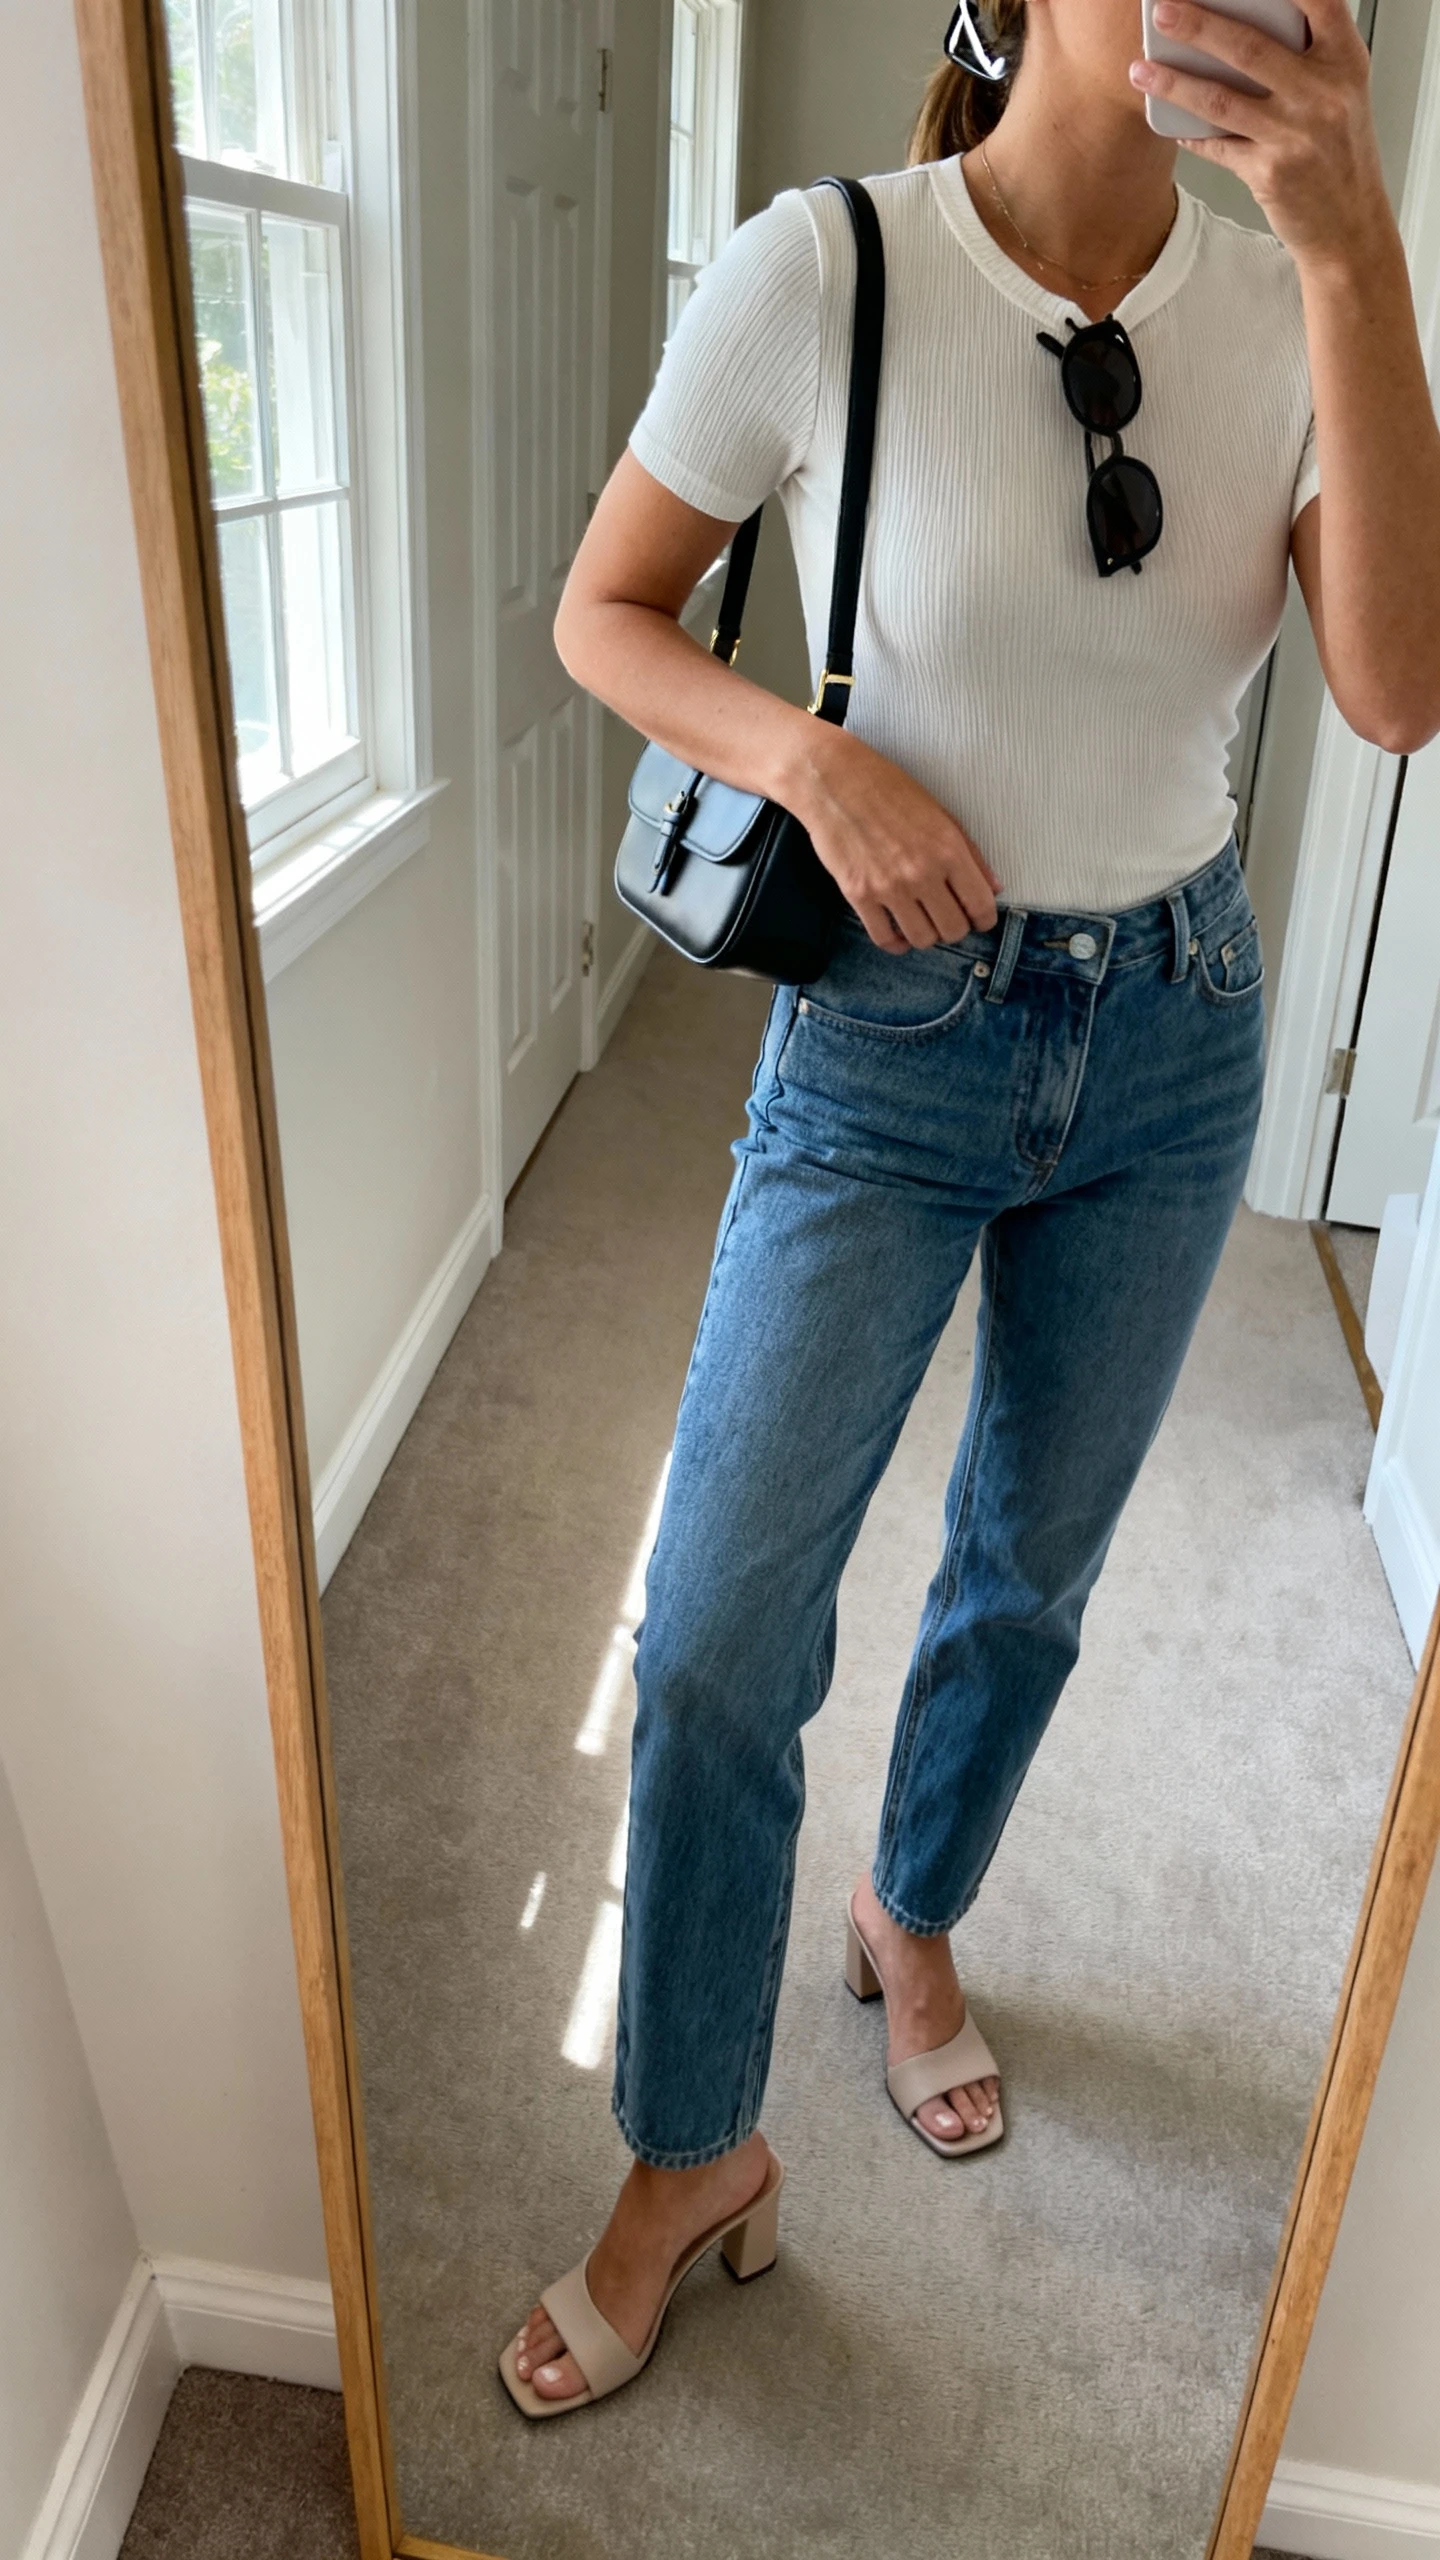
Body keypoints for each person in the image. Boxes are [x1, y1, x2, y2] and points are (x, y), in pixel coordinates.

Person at [500, 0, 1440, 2417]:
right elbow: (606, 609)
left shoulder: (1291, 304)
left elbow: (1397, 689)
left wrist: (1358, 252)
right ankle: (689, 2143)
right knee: (716, 1627)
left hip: (1179, 1027)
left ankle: (911, 1909)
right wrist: (811, 761)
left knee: (1030, 1567)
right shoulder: (827, 266)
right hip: (887, 1031)